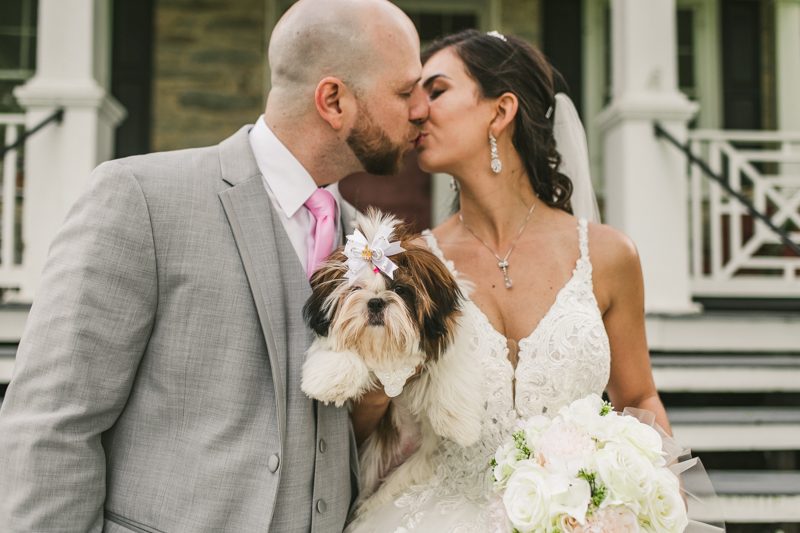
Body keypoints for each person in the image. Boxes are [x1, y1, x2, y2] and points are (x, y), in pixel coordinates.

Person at [0, 0, 427, 531]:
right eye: (406, 91)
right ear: (334, 101)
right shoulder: (142, 199)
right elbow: (52, 426)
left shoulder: (366, 237)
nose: (421, 110)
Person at [346, 29, 675, 533]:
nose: (416, 110)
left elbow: (639, 399)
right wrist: (384, 382)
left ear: (500, 112)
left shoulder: (608, 255)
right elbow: (363, 423)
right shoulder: (410, 267)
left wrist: (655, 493)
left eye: (435, 91)